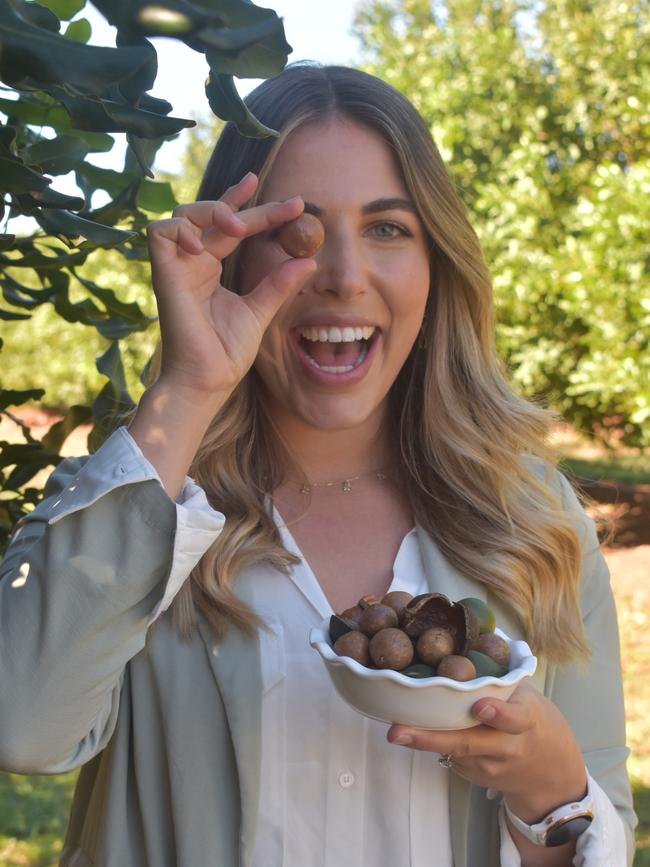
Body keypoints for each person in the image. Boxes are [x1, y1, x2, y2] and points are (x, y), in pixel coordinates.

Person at [0, 63, 636, 867]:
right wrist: (187, 388)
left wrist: (551, 792)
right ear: (225, 261)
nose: (341, 276)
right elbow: (21, 722)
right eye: (292, 233)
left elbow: (601, 826)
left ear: (437, 262)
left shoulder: (533, 522)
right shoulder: (148, 497)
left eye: (387, 228)